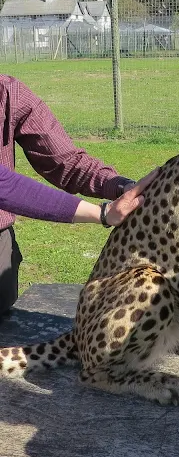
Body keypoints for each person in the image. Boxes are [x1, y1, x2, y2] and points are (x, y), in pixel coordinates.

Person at [0, 74, 146, 319]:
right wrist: (103, 213)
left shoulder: (8, 92)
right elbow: (5, 186)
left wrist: (122, 187)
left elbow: (64, 160)